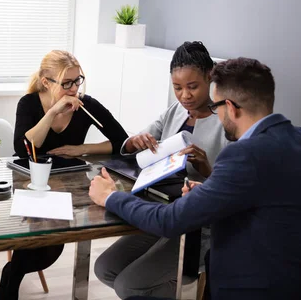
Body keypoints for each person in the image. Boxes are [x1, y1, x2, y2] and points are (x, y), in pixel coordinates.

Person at [90, 57, 301, 300]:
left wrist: (110, 196)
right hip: (292, 279)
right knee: (111, 269)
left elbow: (168, 220)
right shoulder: (300, 138)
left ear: (231, 107)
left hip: (252, 285)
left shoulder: (243, 155)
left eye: (216, 107)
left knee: (133, 289)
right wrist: (208, 191)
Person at [94, 41, 228, 299]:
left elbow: (229, 189)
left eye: (192, 87)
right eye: (177, 88)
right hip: (159, 213)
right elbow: (134, 144)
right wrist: (135, 142)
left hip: (198, 227)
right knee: (105, 268)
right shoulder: (175, 111)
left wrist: (207, 168)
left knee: (128, 286)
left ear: (209, 76)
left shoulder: (225, 123)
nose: (184, 95)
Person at [0, 50, 128, 300]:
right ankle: (12, 276)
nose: (74, 88)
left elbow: (121, 141)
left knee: (48, 251)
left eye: (77, 80)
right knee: (31, 250)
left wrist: (83, 149)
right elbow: (23, 148)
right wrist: (52, 112)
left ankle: (13, 273)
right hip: (31, 186)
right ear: (46, 82)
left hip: (68, 186)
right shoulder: (29, 104)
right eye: (66, 83)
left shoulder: (86, 105)